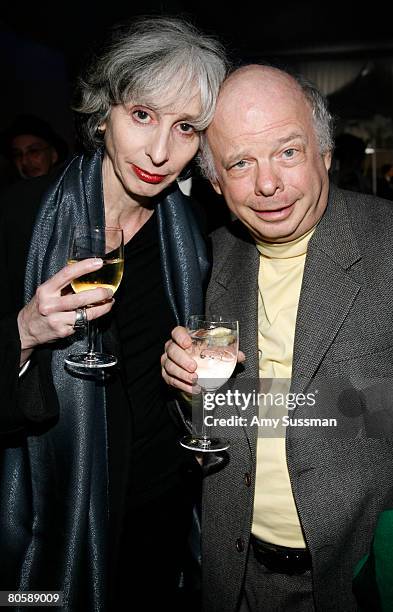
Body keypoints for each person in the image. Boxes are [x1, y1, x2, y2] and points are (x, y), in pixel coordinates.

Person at [161, 65, 393, 611]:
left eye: (287, 152)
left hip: (376, 576)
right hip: (238, 574)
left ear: (325, 152)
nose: (267, 183)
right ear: (216, 181)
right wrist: (189, 391)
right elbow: (213, 418)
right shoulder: (208, 257)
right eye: (241, 163)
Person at [0, 16, 227, 611]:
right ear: (104, 114)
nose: (159, 151)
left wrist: (207, 376)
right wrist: (23, 333)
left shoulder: (196, 234)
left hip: (167, 508)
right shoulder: (21, 216)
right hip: (56, 510)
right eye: (142, 115)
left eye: (185, 128)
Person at [0, 113, 69, 181]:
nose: (24, 161)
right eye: (17, 154)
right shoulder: (10, 191)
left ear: (54, 155)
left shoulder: (69, 187)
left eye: (33, 151)